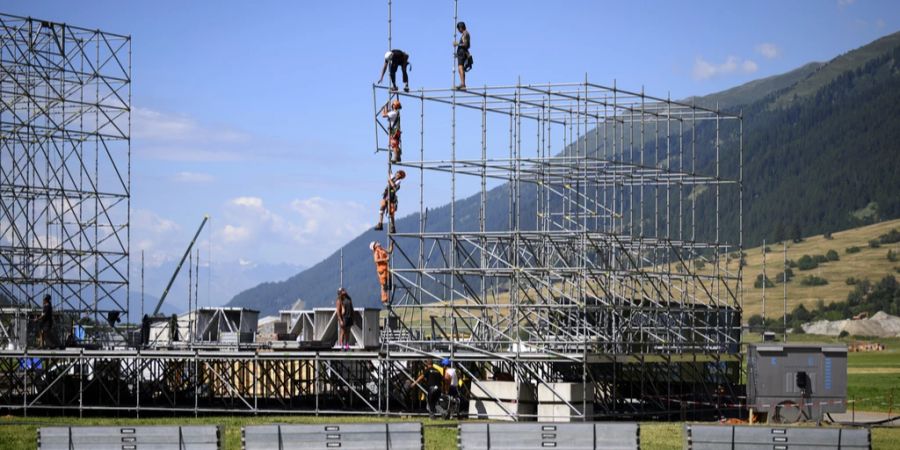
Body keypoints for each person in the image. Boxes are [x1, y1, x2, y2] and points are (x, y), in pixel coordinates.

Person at [370, 240, 394, 305]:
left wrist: (392, 244)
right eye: (376, 243)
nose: (378, 242)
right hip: (382, 270)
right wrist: (385, 259)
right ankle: (384, 300)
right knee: (384, 286)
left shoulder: (381, 249)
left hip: (386, 269)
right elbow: (376, 260)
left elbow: (389, 251)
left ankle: (388, 298)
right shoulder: (376, 252)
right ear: (375, 246)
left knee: (389, 285)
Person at [382, 99, 402, 163]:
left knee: (394, 144)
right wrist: (386, 108)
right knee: (396, 144)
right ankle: (398, 157)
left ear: (394, 106)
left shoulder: (393, 113)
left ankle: (396, 158)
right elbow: (387, 113)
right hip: (397, 130)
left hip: (394, 131)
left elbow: (384, 115)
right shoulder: (396, 113)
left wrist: (384, 108)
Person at [454, 22, 471, 90]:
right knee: (461, 69)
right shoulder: (466, 34)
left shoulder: (465, 34)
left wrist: (457, 44)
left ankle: (462, 84)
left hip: (462, 53)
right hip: (462, 53)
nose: (458, 31)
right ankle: (463, 83)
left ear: (461, 28)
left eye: (458, 29)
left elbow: (465, 44)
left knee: (460, 68)